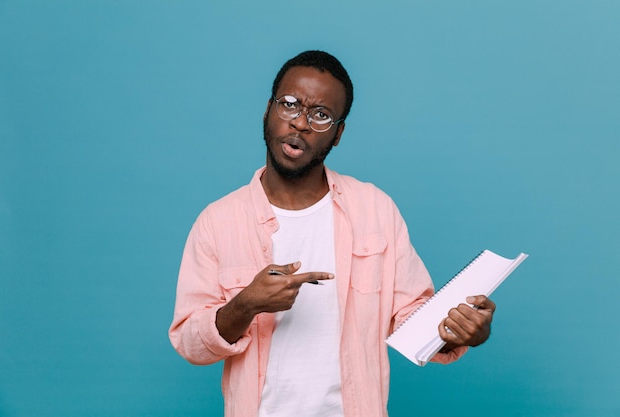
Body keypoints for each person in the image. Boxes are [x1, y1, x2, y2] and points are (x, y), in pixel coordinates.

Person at [168, 50, 496, 417]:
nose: (300, 123)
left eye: (320, 115)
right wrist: (246, 304)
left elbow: (412, 320)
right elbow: (189, 343)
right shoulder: (218, 222)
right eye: (290, 104)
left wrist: (461, 330)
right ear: (267, 110)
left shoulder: (375, 210)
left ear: (338, 134)